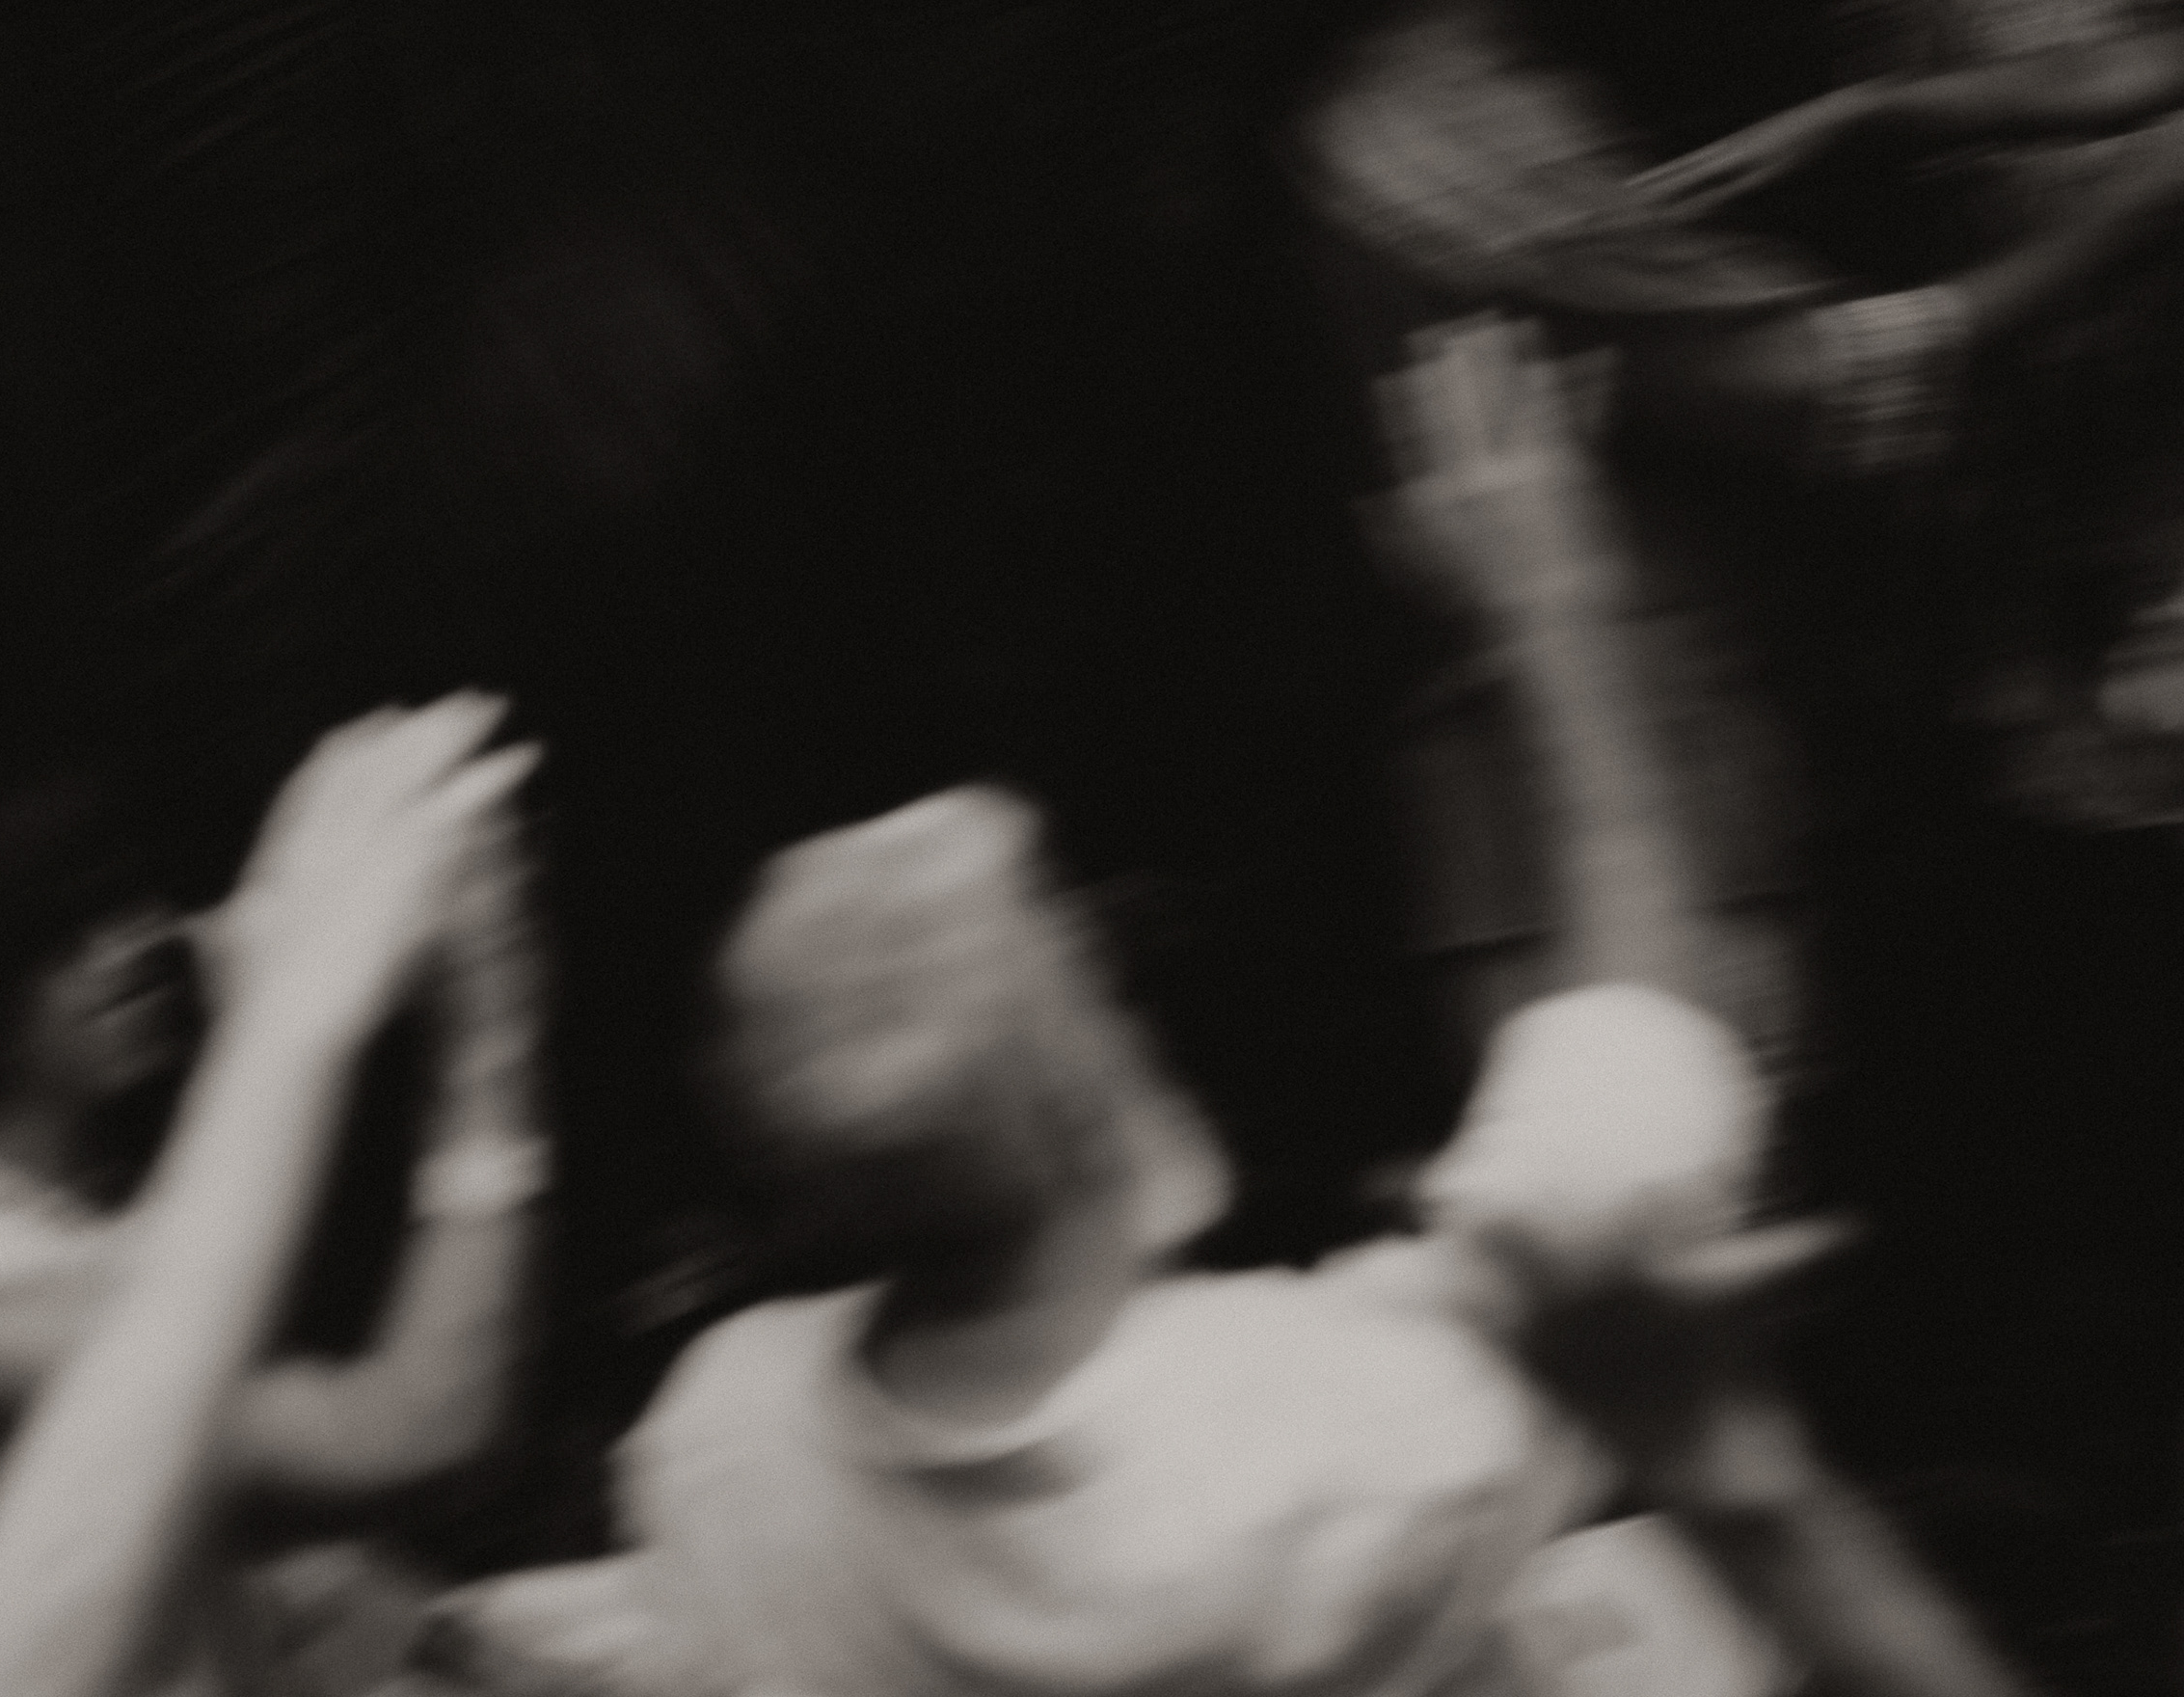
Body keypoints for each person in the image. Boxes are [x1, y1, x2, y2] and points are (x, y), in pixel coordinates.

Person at [414, 317, 2034, 1697]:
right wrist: (1556, 605)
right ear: (1079, 1095)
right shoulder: (1334, 1452)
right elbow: (1644, 1085)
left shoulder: (719, 1437)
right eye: (1083, 956)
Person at [1292, 0, 2184, 1069]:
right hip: (1605, 773)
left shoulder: (1387, 110)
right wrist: (2132, 214)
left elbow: (2135, 70)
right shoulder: (1472, 147)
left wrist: (1878, 112)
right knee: (1668, 1147)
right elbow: (1828, 385)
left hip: (1535, 763)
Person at [0, 696, 547, 1697]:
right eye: (68, 931)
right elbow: (423, 1429)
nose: (134, 945)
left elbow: (255, 1558)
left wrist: (445, 1640)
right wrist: (487, 1023)